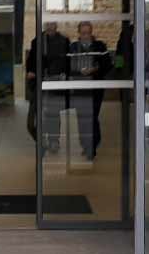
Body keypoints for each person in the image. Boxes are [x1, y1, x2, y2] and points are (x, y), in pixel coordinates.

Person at [69, 22, 112, 160]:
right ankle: (85, 145)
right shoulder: (73, 47)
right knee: (82, 118)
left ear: (91, 32)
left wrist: (95, 69)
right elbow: (67, 65)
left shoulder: (100, 46)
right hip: (80, 88)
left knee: (92, 116)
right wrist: (78, 71)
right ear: (79, 33)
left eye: (88, 32)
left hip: (95, 88)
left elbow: (108, 65)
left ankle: (91, 146)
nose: (86, 35)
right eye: (83, 33)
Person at [25, 22, 70, 150]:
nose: (50, 27)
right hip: (38, 83)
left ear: (56, 26)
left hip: (55, 83)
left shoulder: (64, 41)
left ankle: (53, 140)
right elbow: (31, 60)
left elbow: (67, 61)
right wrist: (31, 71)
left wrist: (64, 74)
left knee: (53, 114)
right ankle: (40, 138)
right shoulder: (37, 41)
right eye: (48, 24)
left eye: (52, 24)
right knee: (32, 120)